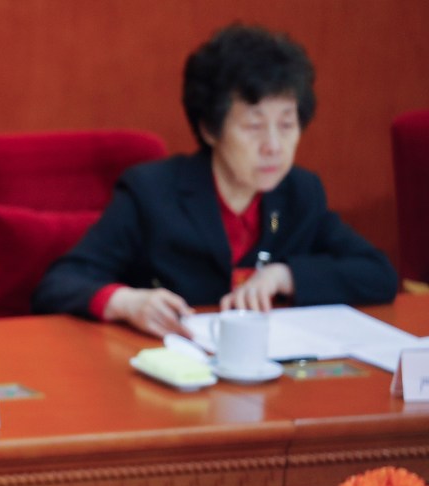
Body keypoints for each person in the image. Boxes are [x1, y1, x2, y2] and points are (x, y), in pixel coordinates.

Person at [32, 24, 397, 337]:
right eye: (254, 126)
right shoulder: (152, 193)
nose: (273, 146)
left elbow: (378, 275)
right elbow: (61, 283)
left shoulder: (300, 193)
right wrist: (127, 302)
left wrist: (284, 276)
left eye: (287, 125)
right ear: (210, 128)